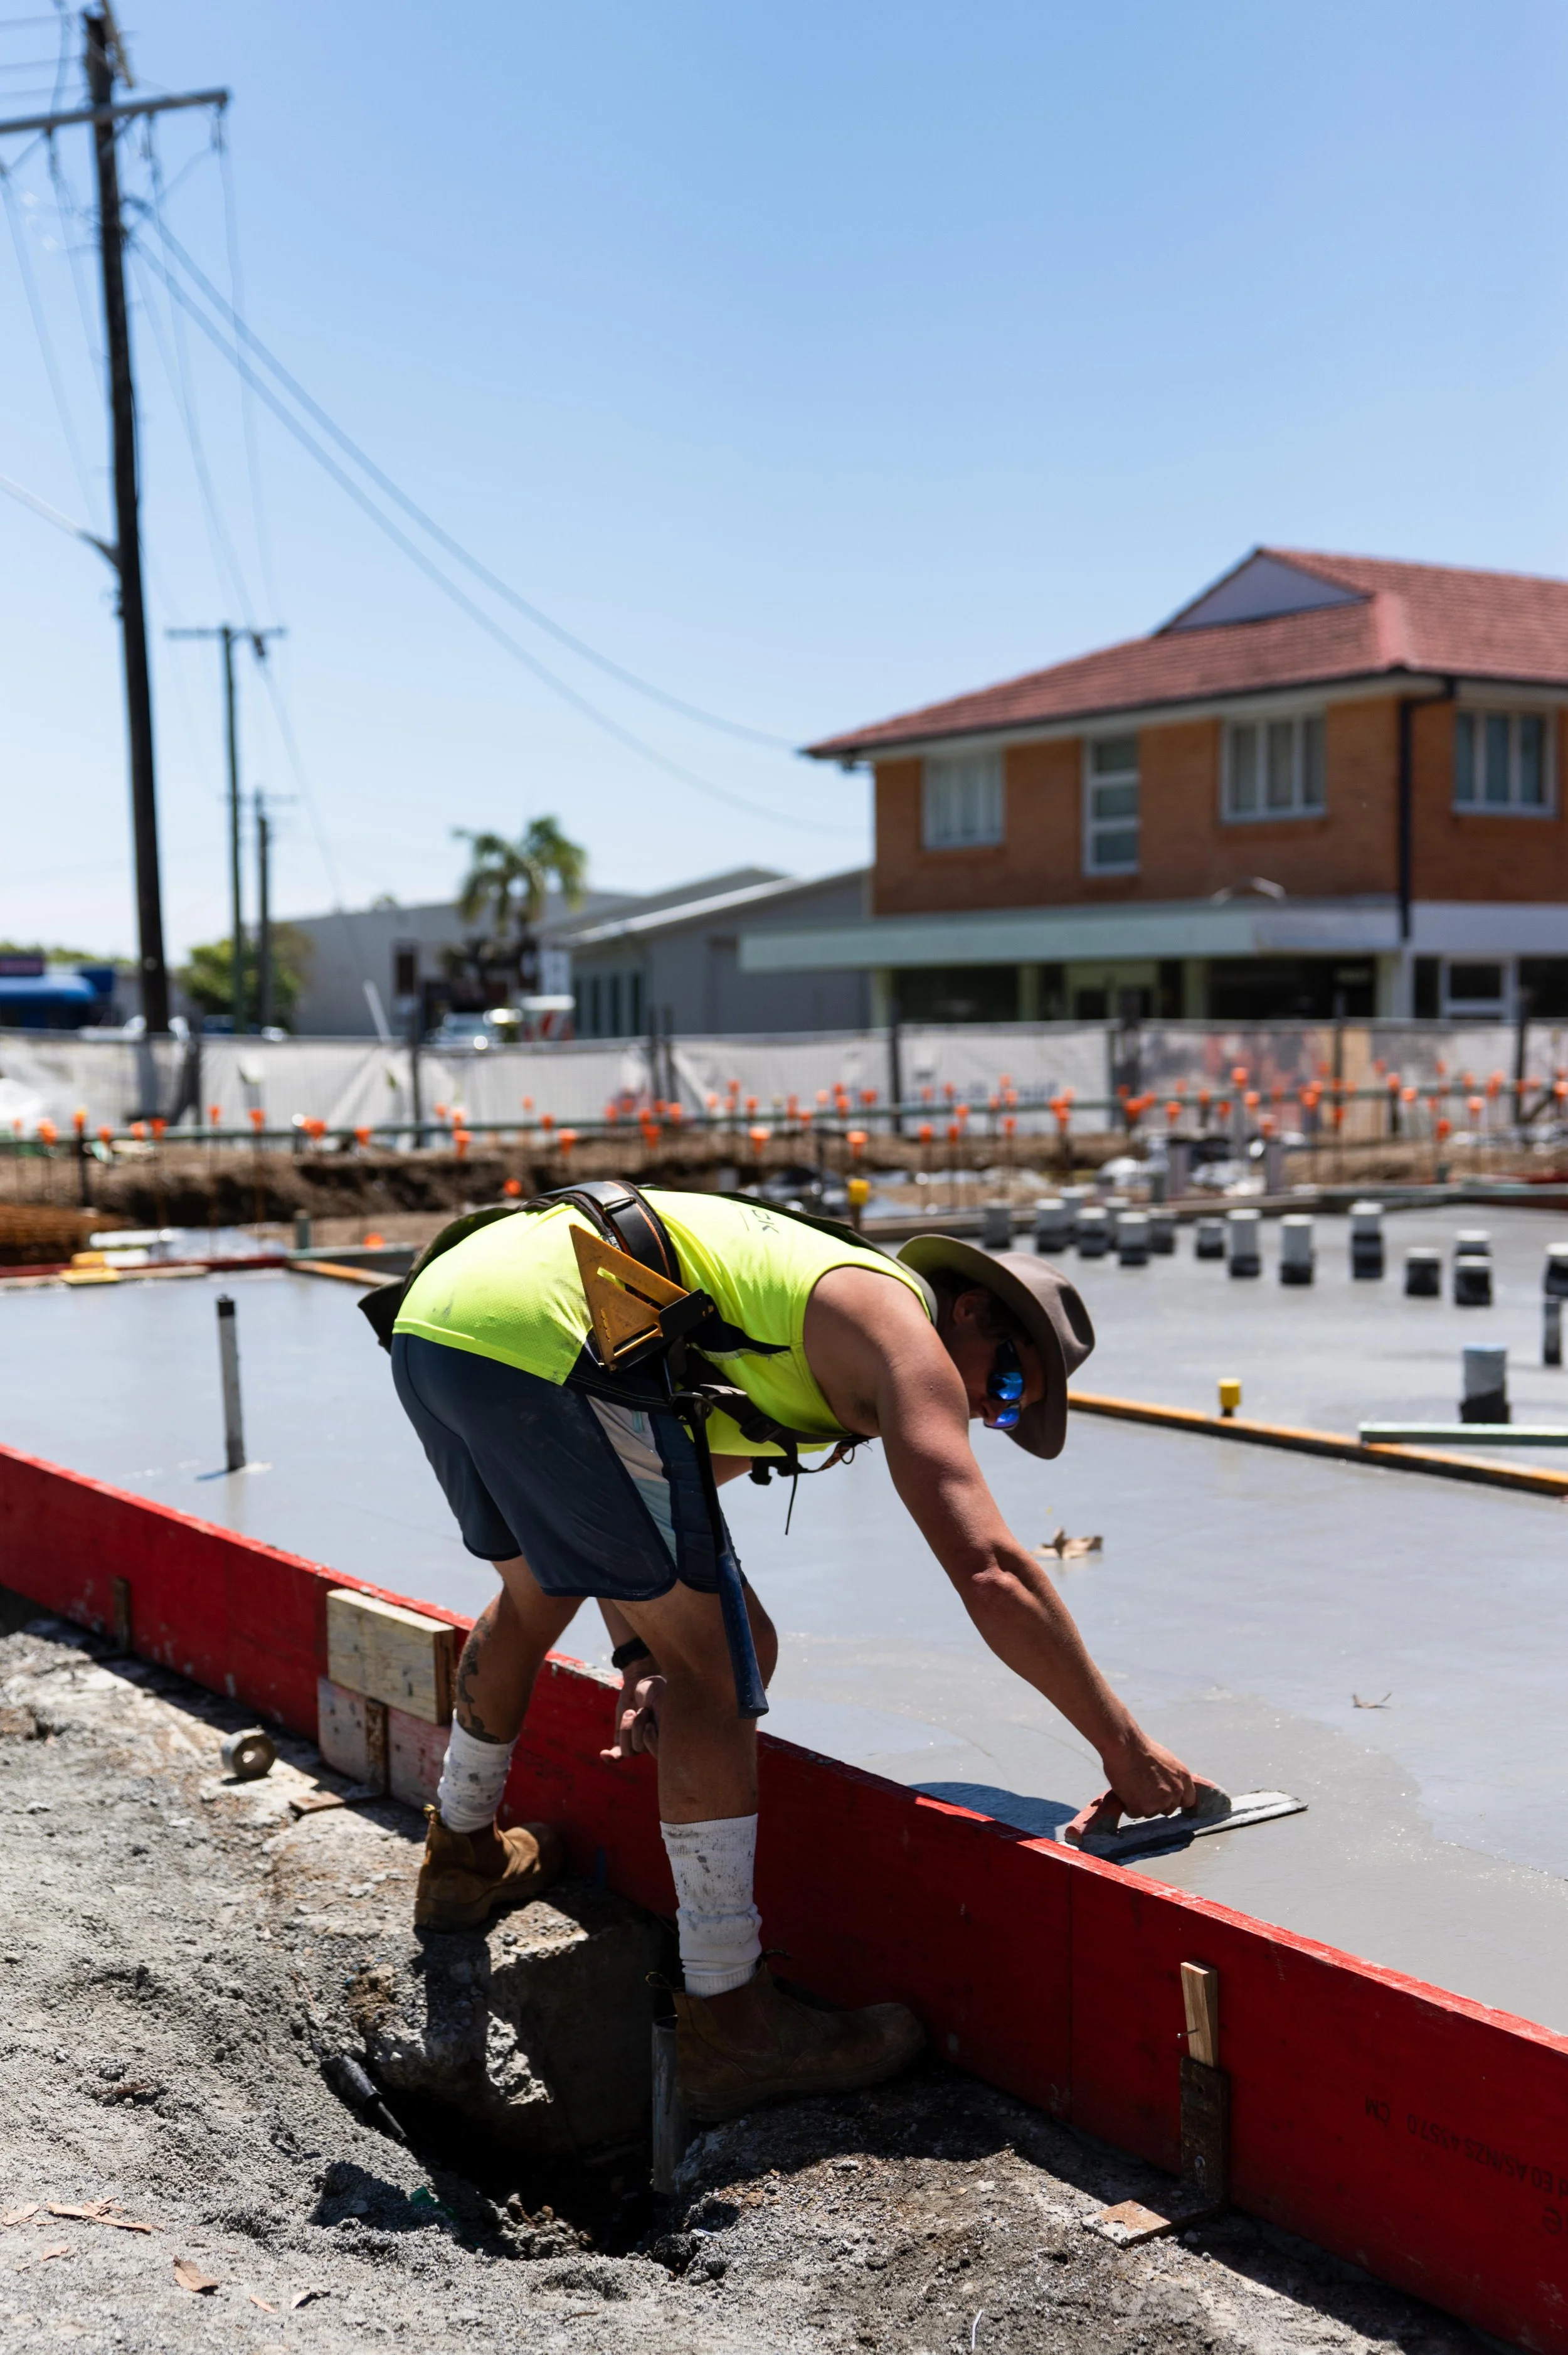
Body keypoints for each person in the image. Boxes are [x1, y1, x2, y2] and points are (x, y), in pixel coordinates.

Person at [387, 1185, 1203, 2122]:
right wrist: (1124, 1750)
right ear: (972, 1310)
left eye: (1010, 1416)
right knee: (721, 1668)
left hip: (445, 1321)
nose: (986, 1411)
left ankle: (461, 1854)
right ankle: (731, 2019)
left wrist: (637, 1654)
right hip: (546, 1328)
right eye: (1008, 1383)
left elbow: (637, 1517)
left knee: (544, 1591)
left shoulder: (801, 1337)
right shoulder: (903, 1331)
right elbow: (992, 1571)